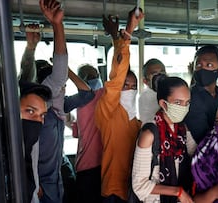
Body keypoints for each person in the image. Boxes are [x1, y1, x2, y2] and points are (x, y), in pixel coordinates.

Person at [19, 1, 94, 202]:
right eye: (57, 85)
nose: (62, 87)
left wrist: (68, 73)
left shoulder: (58, 107)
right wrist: (56, 26)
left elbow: (87, 94)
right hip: (39, 181)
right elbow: (37, 78)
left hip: (56, 174)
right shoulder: (33, 109)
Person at [94, 8, 144, 202]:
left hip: (133, 187)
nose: (130, 90)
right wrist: (128, 31)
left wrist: (116, 37)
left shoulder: (136, 121)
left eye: (134, 86)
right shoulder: (107, 112)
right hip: (114, 189)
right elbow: (117, 77)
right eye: (126, 86)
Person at [132, 76, 194, 203]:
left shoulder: (182, 128)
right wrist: (177, 192)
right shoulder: (149, 134)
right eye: (178, 102)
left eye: (187, 103)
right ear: (163, 103)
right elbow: (139, 186)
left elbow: (196, 154)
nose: (184, 107)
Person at [71, 64, 103, 203]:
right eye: (90, 77)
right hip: (98, 164)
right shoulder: (104, 95)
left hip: (87, 164)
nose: (95, 79)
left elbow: (77, 133)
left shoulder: (80, 101)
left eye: (95, 75)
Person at [184, 45, 218, 144]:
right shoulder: (190, 98)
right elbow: (201, 137)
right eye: (199, 65)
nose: (203, 69)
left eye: (209, 65)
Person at [19, 81, 52, 203]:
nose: (38, 121)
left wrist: (36, 185)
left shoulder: (28, 146)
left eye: (42, 115)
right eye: (30, 111)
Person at [138, 58, 166, 125]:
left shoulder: (170, 90)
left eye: (162, 73)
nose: (160, 76)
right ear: (145, 81)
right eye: (155, 74)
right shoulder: (145, 97)